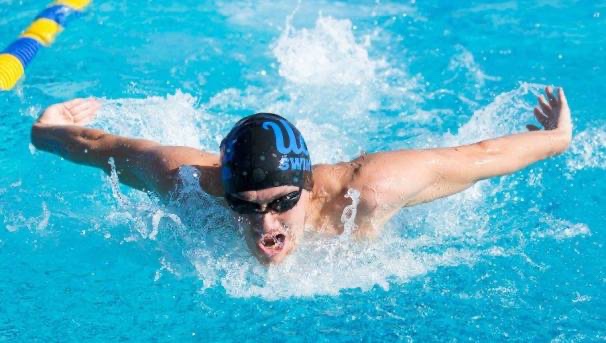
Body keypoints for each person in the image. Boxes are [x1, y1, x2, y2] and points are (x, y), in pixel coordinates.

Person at [30, 86, 572, 264]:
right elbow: (95, 146)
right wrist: (46, 129)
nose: (265, 225)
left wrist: (556, 139)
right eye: (245, 204)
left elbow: (478, 156)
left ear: (308, 185)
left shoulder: (369, 191)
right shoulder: (191, 182)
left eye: (281, 201)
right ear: (225, 187)